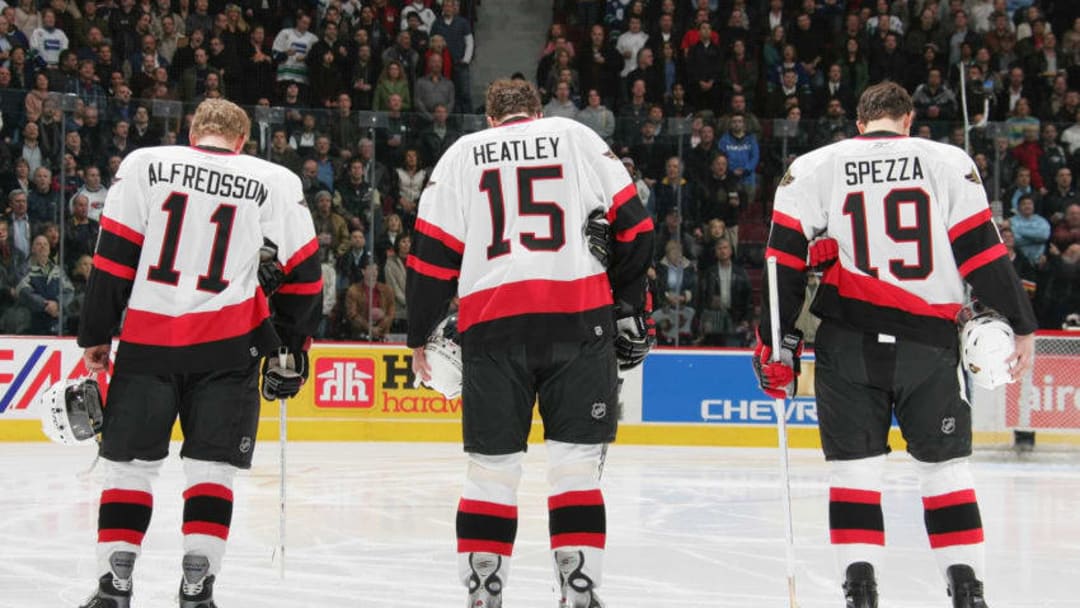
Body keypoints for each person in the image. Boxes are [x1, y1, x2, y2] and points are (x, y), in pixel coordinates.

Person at [754, 81, 1036, 608]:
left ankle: (860, 593)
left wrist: (777, 345)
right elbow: (981, 252)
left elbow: (781, 263)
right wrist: (1023, 324)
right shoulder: (947, 161)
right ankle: (968, 593)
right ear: (908, 122)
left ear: (859, 124)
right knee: (945, 473)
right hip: (928, 346)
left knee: (855, 476)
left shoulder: (814, 166)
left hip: (847, 343)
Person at [405, 79, 654, 608]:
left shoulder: (461, 154)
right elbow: (636, 226)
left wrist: (419, 335)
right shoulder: (575, 135)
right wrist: (629, 308)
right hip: (579, 323)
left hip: (493, 329)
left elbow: (430, 257)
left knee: (492, 471)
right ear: (538, 112)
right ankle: (579, 589)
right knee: (575, 467)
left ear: (490, 120)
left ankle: (483, 591)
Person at [76, 99, 322, 608]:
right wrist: (292, 348)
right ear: (241, 141)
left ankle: (113, 586)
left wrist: (96, 333)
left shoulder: (145, 164)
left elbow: (114, 253)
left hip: (148, 343)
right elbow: (304, 271)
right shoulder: (273, 179)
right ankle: (197, 587)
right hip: (229, 348)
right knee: (212, 471)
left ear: (193, 133)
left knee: (130, 469)